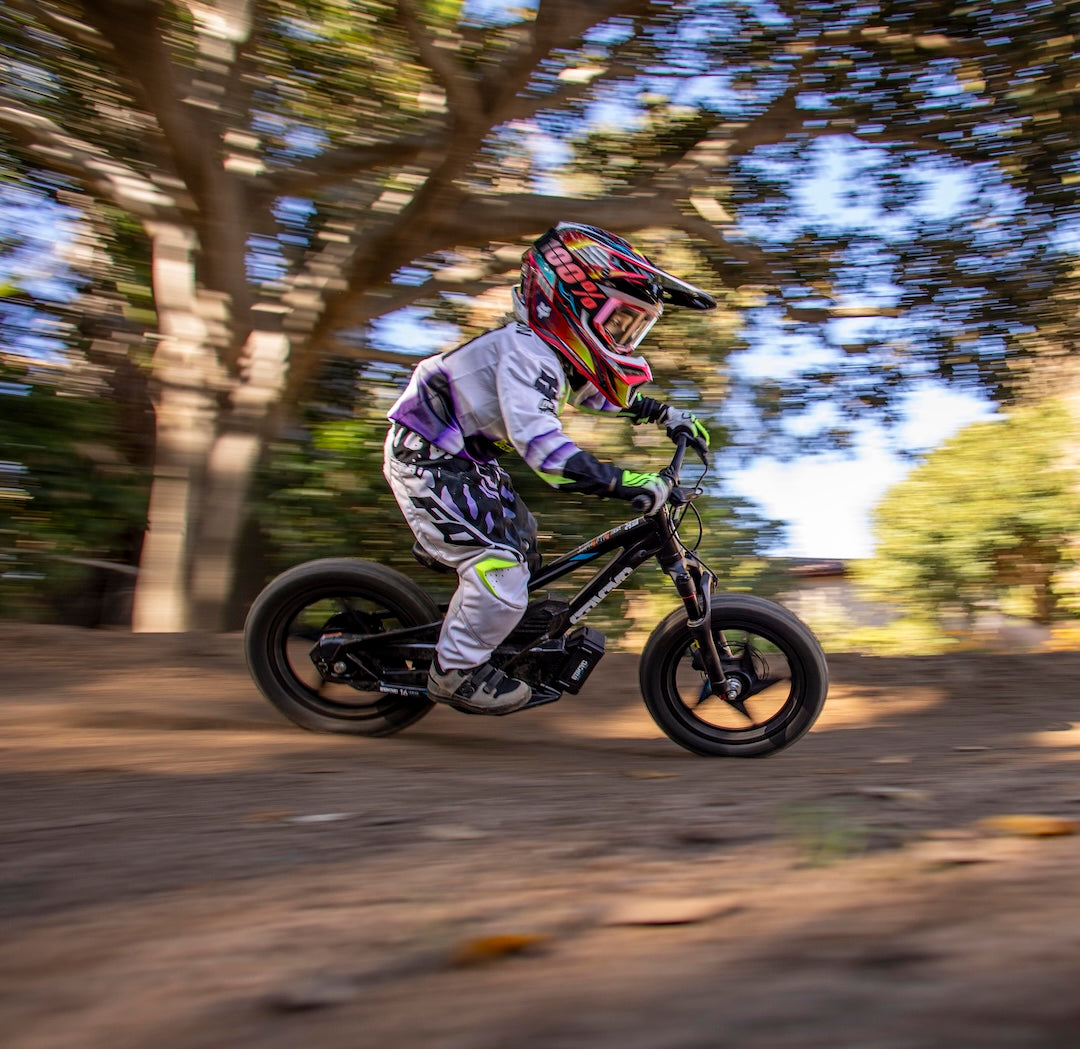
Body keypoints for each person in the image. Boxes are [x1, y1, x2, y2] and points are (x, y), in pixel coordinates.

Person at [383, 222, 715, 715]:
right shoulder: (526, 353)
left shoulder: (548, 353)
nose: (624, 339)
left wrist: (663, 413)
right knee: (501, 567)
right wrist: (625, 482)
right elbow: (548, 456)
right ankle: (454, 672)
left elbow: (591, 393)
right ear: (571, 301)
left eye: (633, 327)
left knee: (524, 543)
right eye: (618, 322)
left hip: (463, 458)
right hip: (428, 457)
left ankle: (491, 622)